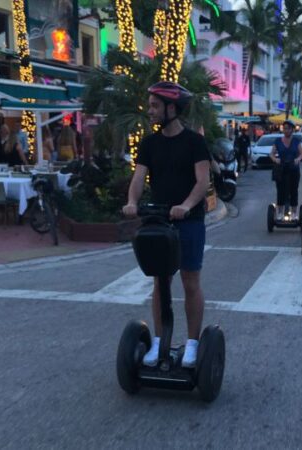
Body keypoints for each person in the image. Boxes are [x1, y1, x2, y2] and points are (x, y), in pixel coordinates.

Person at [122, 81, 210, 369]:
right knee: (161, 282)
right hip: (159, 220)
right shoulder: (149, 143)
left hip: (189, 221)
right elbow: (138, 177)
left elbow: (202, 181)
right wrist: (132, 202)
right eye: (150, 106)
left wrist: (185, 205)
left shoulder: (195, 142)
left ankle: (193, 345)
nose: (150, 111)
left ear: (172, 108)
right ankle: (159, 341)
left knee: (190, 280)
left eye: (155, 106)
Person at [269, 120, 302, 220]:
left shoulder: (296, 141)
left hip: (293, 168)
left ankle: (294, 213)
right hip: (281, 169)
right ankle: (280, 212)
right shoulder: (278, 141)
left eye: (288, 128)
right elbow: (271, 154)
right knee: (280, 190)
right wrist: (275, 159)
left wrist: (298, 159)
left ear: (292, 130)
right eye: (284, 128)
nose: (286, 130)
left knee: (294, 190)